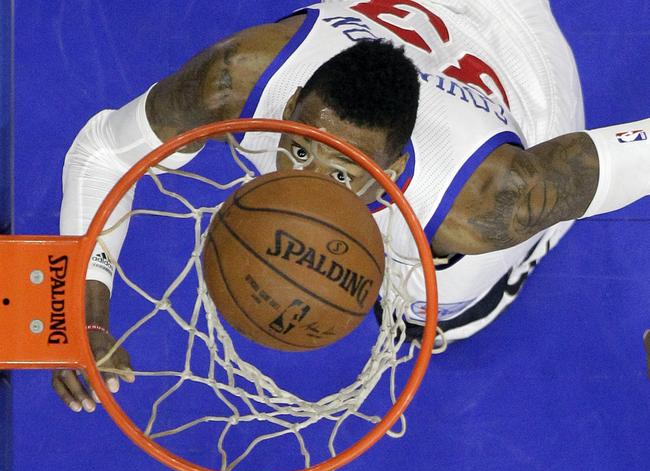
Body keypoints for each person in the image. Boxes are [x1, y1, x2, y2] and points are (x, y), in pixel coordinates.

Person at [52, 0, 650, 413]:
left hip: (524, 63)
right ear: (289, 110)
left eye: (344, 171)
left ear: (390, 172)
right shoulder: (237, 79)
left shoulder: (491, 201)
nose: (310, 182)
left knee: (432, 313)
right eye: (298, 148)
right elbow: (105, 150)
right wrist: (85, 305)